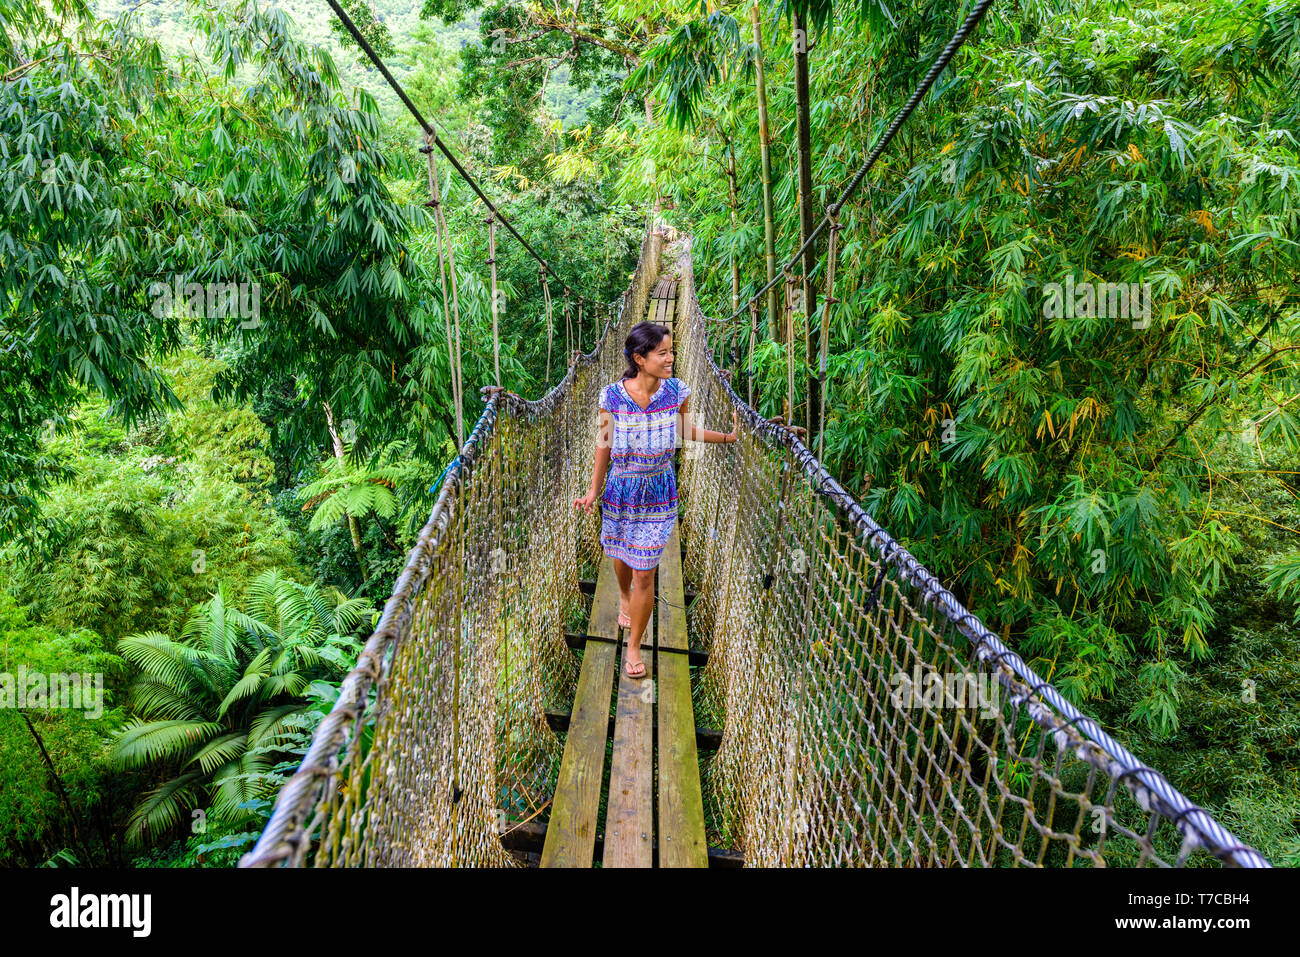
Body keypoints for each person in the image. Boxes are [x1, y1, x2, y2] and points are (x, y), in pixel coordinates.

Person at [572, 321, 738, 678]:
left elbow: (684, 429)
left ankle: (633, 647)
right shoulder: (612, 397)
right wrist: (592, 490)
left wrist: (727, 437)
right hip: (621, 492)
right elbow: (604, 443)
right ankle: (623, 595)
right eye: (662, 352)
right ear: (639, 358)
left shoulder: (677, 391)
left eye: (672, 351)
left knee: (645, 573)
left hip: (659, 495)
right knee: (621, 557)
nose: (671, 358)